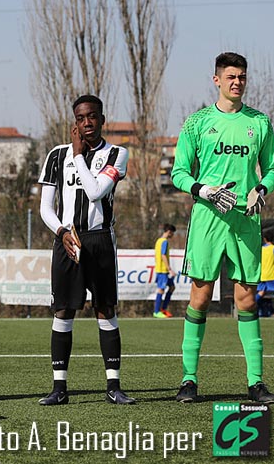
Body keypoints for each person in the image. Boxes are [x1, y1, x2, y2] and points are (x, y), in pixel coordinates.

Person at [171, 52, 274, 403]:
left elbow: (273, 170)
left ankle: (256, 383)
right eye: (231, 76)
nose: (237, 82)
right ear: (216, 80)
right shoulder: (197, 122)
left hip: (246, 221)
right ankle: (188, 381)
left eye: (242, 77)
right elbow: (179, 173)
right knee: (200, 296)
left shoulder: (259, 123)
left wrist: (260, 189)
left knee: (247, 300)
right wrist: (203, 190)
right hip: (208, 220)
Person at [38, 94, 135, 406]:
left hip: (99, 241)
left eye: (92, 116)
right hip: (67, 239)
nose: (87, 123)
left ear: (102, 119)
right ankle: (59, 388)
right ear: (74, 122)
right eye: (80, 118)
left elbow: (95, 193)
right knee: (63, 310)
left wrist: (79, 155)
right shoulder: (56, 155)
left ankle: (113, 386)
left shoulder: (117, 154)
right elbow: (45, 208)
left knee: (105, 310)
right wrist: (62, 231)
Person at [256, 231, 274, 318]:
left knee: (261, 292)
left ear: (264, 239)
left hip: (262, 274)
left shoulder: (261, 249)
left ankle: (250, 308)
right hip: (272, 274)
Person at [153, 224, 176, 318]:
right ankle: (156, 311)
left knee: (172, 287)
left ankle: (163, 309)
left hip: (162, 270)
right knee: (161, 289)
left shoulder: (158, 241)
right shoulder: (164, 242)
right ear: (169, 232)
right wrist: (169, 269)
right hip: (162, 270)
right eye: (172, 233)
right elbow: (163, 255)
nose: (172, 235)